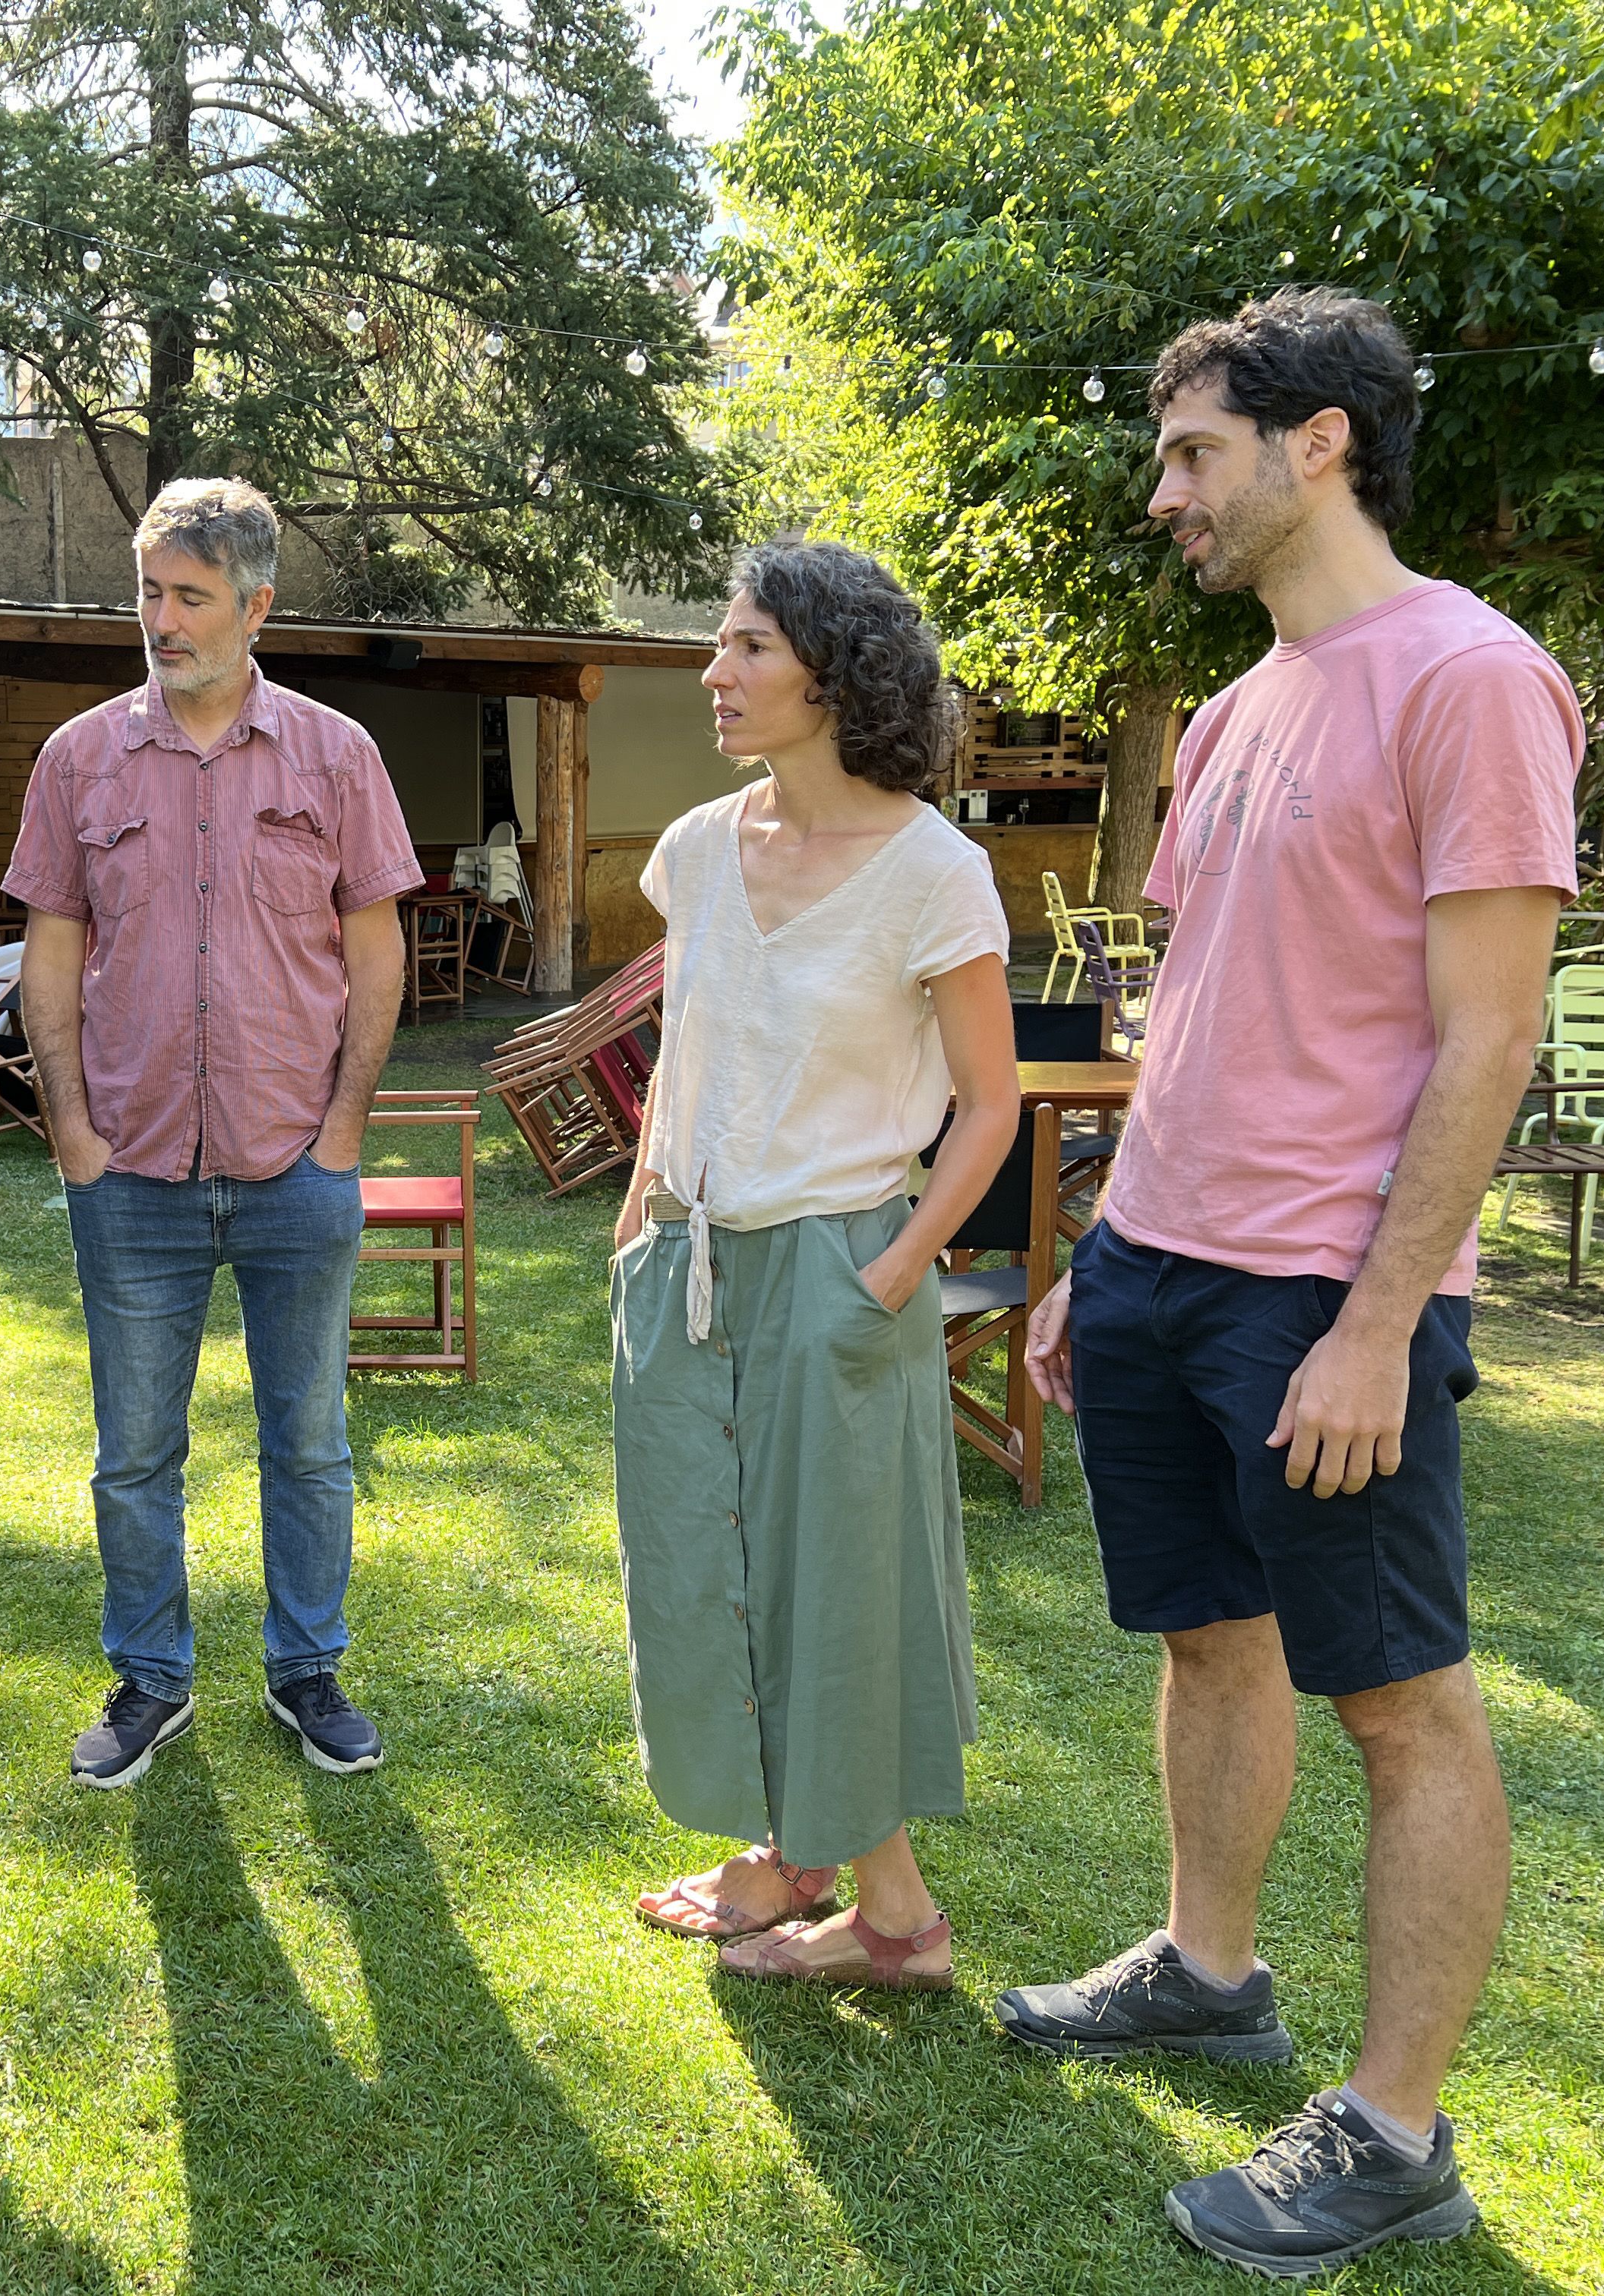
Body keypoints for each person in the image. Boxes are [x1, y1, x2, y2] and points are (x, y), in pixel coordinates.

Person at [1002, 291, 1580, 2277]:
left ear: (1314, 441)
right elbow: (1198, 1019)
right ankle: (1208, 1967)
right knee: (1205, 1642)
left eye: (1190, 454)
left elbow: (1489, 1038)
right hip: (1168, 1264)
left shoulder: (1472, 678)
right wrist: (1101, 1248)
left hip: (1326, 1292)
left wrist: (1373, 1319)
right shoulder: (1246, 707)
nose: (1164, 494)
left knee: (1401, 1707)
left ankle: (1400, 2134)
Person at [614, 542, 1015, 1990]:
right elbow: (693, 1043)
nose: (714, 675)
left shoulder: (934, 871)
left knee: (835, 1585)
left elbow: (989, 1105)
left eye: (746, 649)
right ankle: (796, 1856)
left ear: (836, 676)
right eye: (719, 648)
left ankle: (900, 1924)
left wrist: (898, 1269)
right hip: (692, 1259)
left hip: (846, 1261)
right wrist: (642, 1211)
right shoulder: (698, 847)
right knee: (705, 1565)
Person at [5, 477, 416, 1789]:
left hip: (297, 1158)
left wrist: (345, 1130)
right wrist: (69, 1126)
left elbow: (375, 945)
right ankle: (150, 1679)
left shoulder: (337, 755)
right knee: (135, 1457)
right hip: (130, 1170)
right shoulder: (78, 758)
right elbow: (48, 952)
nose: (161, 620)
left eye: (188, 597)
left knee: (308, 1443)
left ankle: (307, 1674)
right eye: (149, 592)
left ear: (256, 606)